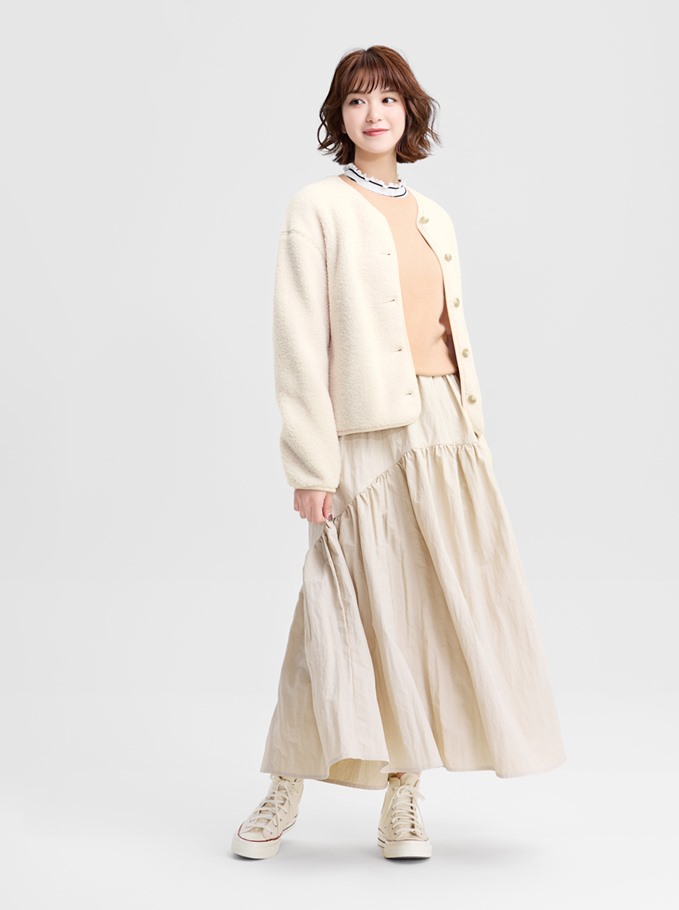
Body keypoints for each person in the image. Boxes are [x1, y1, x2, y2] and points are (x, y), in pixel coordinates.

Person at [231, 44, 566, 862]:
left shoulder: (434, 216)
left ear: (410, 110)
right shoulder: (316, 206)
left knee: (430, 608)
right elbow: (298, 342)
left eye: (387, 98)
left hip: (444, 427)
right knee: (336, 606)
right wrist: (310, 463)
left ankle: (404, 794)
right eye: (356, 100)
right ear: (338, 116)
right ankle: (285, 781)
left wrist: (473, 436)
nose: (373, 113)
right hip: (363, 433)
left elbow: (451, 334)